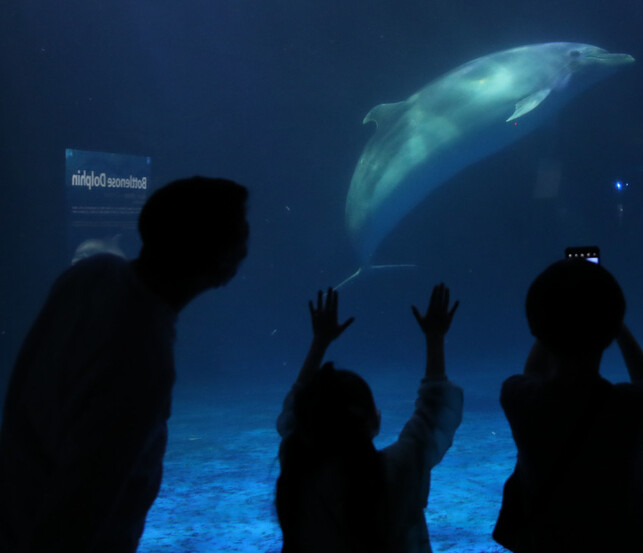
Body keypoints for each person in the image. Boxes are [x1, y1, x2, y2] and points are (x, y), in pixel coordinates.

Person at [0, 176, 249, 553]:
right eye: (241, 234)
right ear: (220, 256)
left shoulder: (89, 274)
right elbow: (81, 504)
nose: (247, 248)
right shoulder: (144, 357)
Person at [493, 258, 643, 553]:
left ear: (535, 327)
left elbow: (533, 374)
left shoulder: (517, 397)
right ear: (612, 325)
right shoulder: (634, 406)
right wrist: (619, 328)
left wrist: (555, 313)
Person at [275, 284, 463, 553]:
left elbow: (296, 416)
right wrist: (435, 338)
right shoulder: (398, 470)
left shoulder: (297, 470)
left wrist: (320, 342)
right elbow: (434, 414)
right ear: (375, 421)